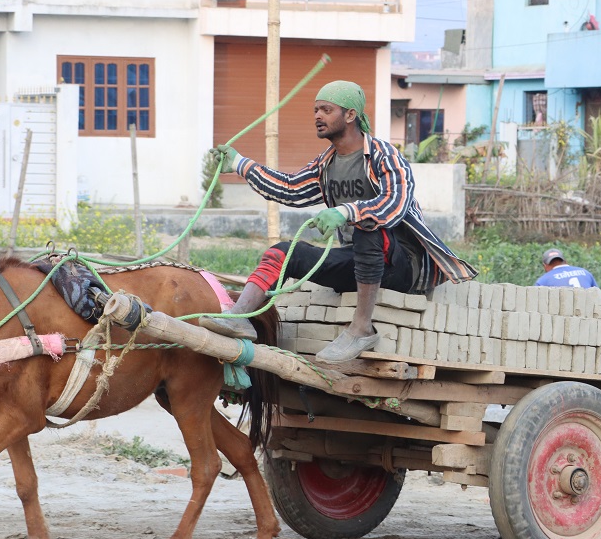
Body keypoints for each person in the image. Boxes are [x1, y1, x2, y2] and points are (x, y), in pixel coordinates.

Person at [202, 80, 476, 364]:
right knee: (284, 252)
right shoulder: (326, 164)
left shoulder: (385, 155)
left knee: (366, 228)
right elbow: (290, 188)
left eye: (326, 109)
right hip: (360, 263)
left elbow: (396, 204)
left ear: (350, 115)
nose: (317, 116)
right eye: (316, 110)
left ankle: (360, 329)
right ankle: (240, 317)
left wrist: (347, 212)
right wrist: (240, 164)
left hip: (402, 265)